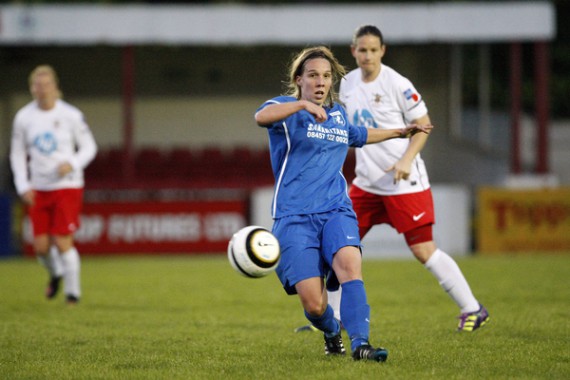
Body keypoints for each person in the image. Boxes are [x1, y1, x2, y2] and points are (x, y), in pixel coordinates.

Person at [297, 25, 489, 333]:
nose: (368, 56)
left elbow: (423, 125)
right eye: (362, 50)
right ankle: (330, 320)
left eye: (373, 50)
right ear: (353, 51)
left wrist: (405, 159)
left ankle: (473, 308)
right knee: (334, 249)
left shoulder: (398, 84)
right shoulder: (346, 84)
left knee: (423, 250)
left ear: (382, 51)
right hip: (366, 184)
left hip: (404, 183)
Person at [255, 46, 432, 362]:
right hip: (293, 217)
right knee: (314, 305)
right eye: (313, 76)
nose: (321, 82)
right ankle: (332, 330)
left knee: (350, 268)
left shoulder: (337, 115)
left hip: (336, 209)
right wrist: (300, 106)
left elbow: (359, 134)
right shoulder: (285, 109)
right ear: (300, 79)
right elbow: (260, 116)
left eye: (326, 76)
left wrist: (400, 131)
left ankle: (361, 344)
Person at [10, 65, 97, 305]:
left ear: (55, 87)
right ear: (32, 89)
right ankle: (56, 273)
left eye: (47, 84)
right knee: (40, 247)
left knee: (62, 240)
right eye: (38, 85)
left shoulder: (71, 115)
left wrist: (72, 163)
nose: (43, 89)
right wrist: (22, 185)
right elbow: (17, 154)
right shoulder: (24, 118)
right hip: (38, 188)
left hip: (67, 185)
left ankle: (73, 295)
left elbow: (90, 147)